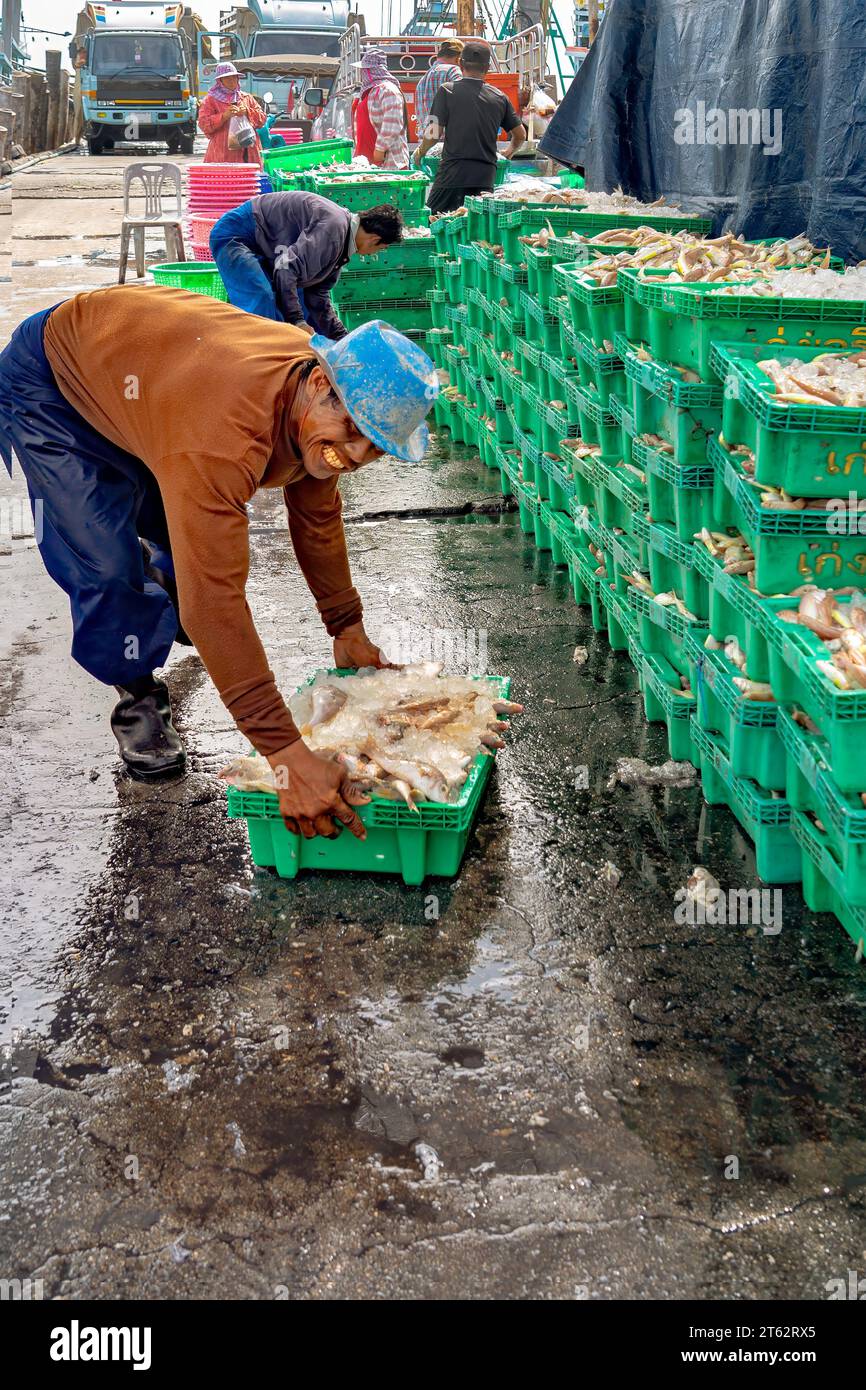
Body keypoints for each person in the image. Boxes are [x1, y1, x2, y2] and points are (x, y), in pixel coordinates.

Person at [0, 288, 438, 840]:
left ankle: (163, 583)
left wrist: (345, 626)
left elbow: (318, 519)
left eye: (375, 446)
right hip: (54, 384)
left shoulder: (313, 394)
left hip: (150, 381)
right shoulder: (222, 431)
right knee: (106, 567)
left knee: (185, 532)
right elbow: (217, 604)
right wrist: (285, 757)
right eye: (352, 430)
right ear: (321, 384)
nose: (352, 455)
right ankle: (137, 693)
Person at [210, 190, 404, 334]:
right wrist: (297, 321)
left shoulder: (342, 243)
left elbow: (317, 297)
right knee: (262, 302)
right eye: (380, 249)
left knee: (302, 307)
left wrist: (341, 338)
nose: (373, 254)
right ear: (375, 239)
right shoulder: (334, 229)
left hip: (268, 248)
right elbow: (285, 269)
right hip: (236, 236)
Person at [414, 40, 527, 215]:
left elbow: (433, 133)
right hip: (485, 177)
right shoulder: (500, 97)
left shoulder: (446, 91)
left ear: (460, 63)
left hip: (452, 175)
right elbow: (520, 135)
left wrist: (420, 152)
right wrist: (509, 152)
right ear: (488, 67)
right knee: (475, 230)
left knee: (433, 220)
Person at [198, 62, 265, 166]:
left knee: (249, 180)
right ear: (220, 81)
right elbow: (203, 124)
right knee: (224, 180)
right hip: (222, 154)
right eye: (227, 78)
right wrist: (224, 116)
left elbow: (262, 119)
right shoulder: (210, 100)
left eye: (234, 77)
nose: (232, 81)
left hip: (249, 152)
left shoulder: (246, 98)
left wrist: (248, 112)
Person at [352, 48, 410, 169]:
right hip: (368, 164)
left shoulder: (388, 90)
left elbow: (393, 123)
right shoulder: (368, 92)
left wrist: (380, 149)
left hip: (388, 163)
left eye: (366, 69)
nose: (363, 73)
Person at [413, 40, 463, 144]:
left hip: (425, 145)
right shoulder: (453, 71)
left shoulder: (422, 80)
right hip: (449, 145)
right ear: (459, 59)